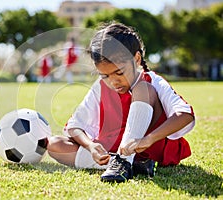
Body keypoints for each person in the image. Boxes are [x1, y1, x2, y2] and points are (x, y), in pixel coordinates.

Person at [47, 23, 195, 183]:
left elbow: (185, 115)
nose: (113, 81)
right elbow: (74, 126)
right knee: (55, 144)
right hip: (114, 149)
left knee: (143, 89)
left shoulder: (152, 80)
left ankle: (125, 162)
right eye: (105, 75)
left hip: (150, 147)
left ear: (137, 59)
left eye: (119, 72)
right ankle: (130, 165)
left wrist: (148, 139)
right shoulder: (101, 86)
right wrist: (91, 146)